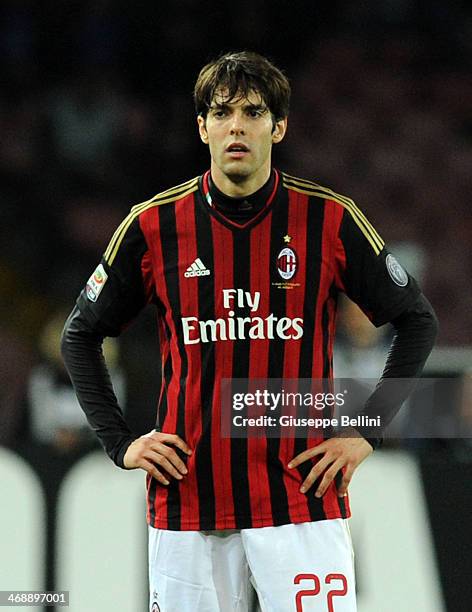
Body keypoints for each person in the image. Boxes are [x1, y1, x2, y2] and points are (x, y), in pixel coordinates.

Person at [62, 51, 438, 611]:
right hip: (190, 503)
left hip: (301, 499)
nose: (236, 125)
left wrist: (365, 431)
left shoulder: (328, 218)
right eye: (220, 113)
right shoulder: (153, 225)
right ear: (202, 127)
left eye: (253, 112)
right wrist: (119, 442)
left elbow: (417, 321)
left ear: (278, 126)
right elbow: (79, 335)